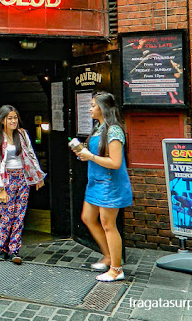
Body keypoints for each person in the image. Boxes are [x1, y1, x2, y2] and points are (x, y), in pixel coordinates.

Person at [70, 92, 133, 282]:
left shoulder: (114, 131)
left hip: (109, 184)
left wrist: (90, 157)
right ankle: (107, 256)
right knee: (88, 217)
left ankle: (116, 269)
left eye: (93, 105)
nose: (89, 109)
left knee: (108, 224)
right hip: (96, 182)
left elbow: (115, 163)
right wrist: (84, 153)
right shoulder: (99, 127)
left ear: (103, 108)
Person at [0, 105, 46, 264]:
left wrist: (37, 176)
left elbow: (31, 155)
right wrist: (0, 188)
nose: (13, 121)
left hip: (22, 178)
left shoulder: (22, 134)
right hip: (6, 180)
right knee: (7, 215)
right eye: (9, 118)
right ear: (2, 120)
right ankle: (2, 248)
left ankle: (14, 250)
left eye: (15, 117)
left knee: (19, 215)